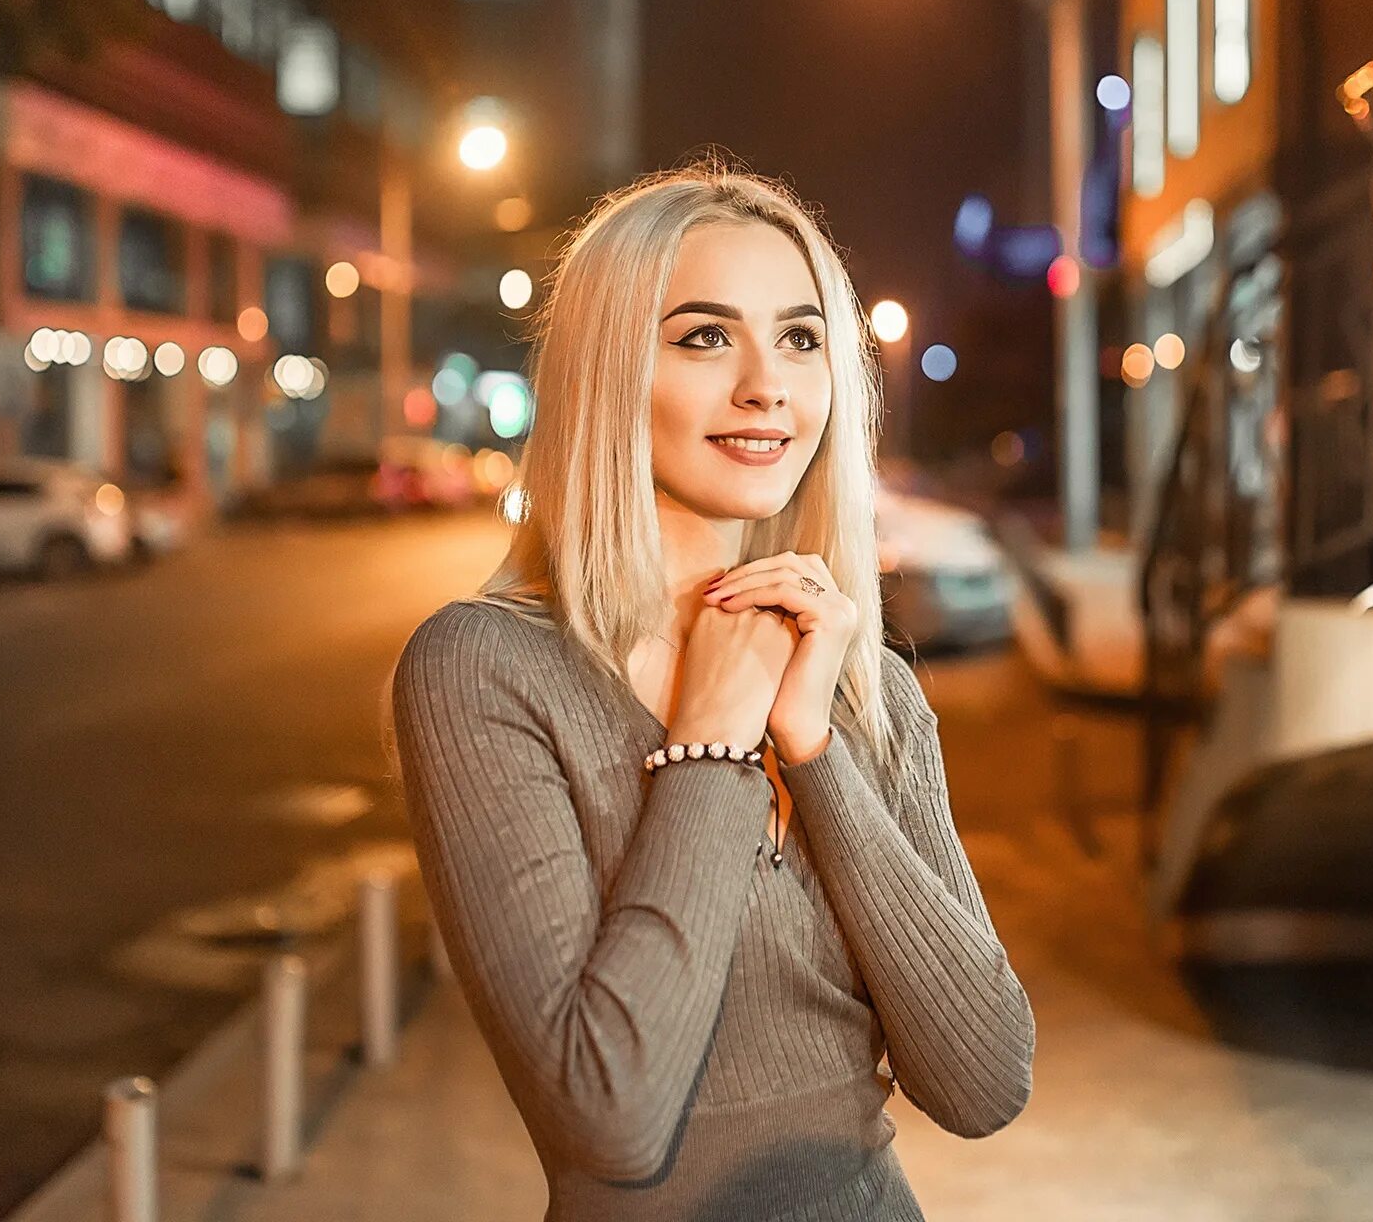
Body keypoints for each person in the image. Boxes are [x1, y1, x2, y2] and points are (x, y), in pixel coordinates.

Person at [388, 162, 1034, 1221]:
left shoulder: (866, 688)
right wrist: (713, 748)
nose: (765, 385)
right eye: (701, 336)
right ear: (605, 370)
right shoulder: (484, 671)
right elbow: (609, 1118)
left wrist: (814, 751)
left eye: (799, 337)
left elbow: (983, 1081)